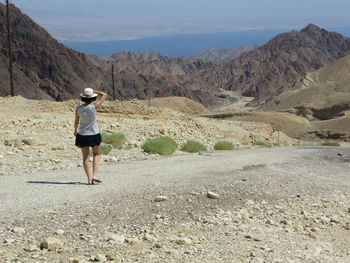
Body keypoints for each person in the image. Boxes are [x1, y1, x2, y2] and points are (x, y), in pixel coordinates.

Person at [74, 88, 107, 185]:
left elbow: (76, 121)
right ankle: (94, 175)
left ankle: (89, 179)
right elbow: (104, 94)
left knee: (85, 157)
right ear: (92, 98)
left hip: (82, 135)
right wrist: (94, 91)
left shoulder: (78, 108)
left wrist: (75, 130)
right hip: (94, 134)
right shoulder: (94, 107)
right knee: (96, 154)